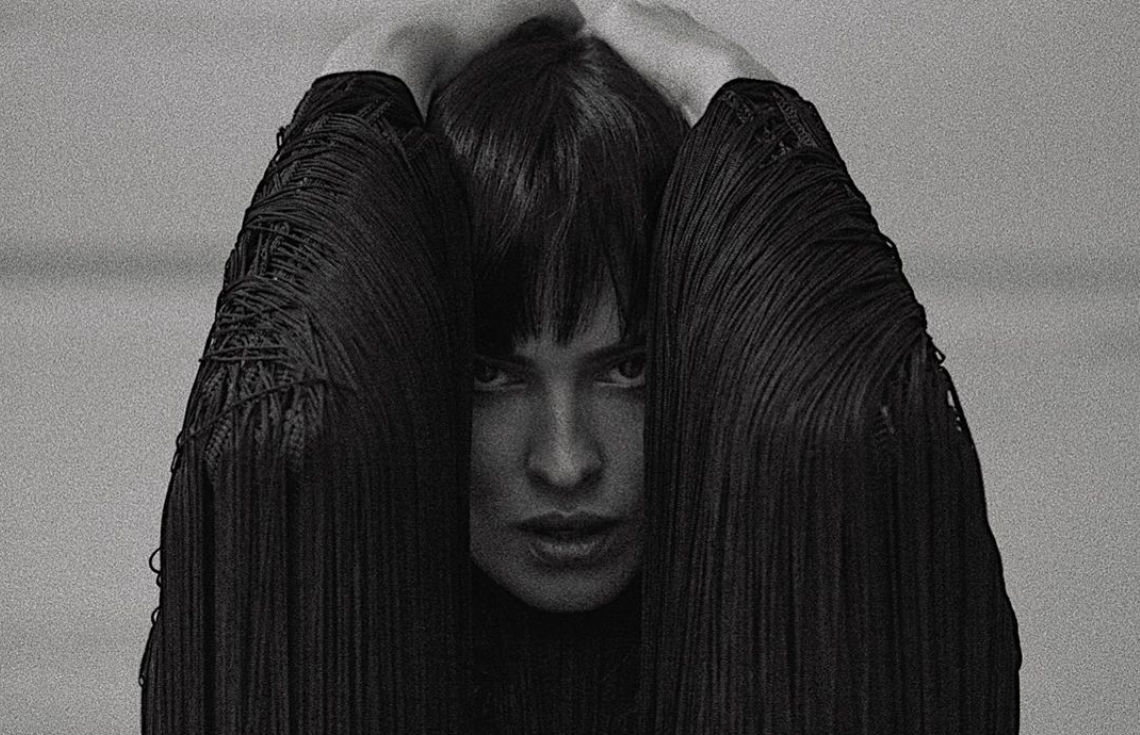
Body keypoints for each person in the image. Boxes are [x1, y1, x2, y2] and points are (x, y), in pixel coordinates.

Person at [140, 1, 1021, 733]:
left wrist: (732, 90)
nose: (566, 462)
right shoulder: (333, 662)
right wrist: (374, 70)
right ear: (412, 369)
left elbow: (843, 427)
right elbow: (286, 440)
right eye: (492, 376)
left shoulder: (812, 655)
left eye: (628, 369)